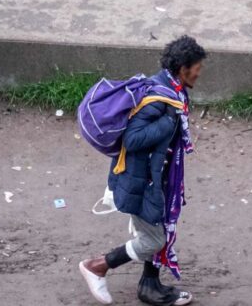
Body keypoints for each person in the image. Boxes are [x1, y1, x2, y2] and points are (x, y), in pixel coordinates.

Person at [78, 36, 207, 306]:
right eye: (197, 67)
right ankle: (97, 266)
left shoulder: (170, 88)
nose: (199, 72)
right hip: (141, 182)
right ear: (183, 68)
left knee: (158, 229)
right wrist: (169, 119)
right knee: (154, 239)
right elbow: (133, 139)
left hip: (154, 179)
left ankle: (149, 286)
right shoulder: (161, 100)